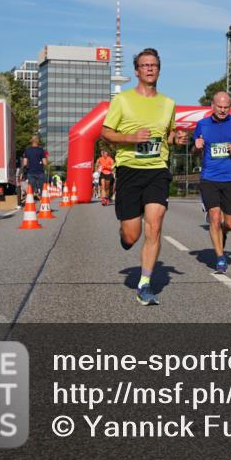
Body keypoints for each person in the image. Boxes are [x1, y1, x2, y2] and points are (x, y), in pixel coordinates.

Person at [101, 48, 188, 306]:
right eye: (144, 65)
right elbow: (106, 132)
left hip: (157, 170)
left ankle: (145, 283)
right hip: (128, 169)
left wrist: (178, 138)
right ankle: (125, 232)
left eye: (154, 65)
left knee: (155, 222)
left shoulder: (168, 103)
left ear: (159, 69)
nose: (149, 69)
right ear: (136, 70)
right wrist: (130, 138)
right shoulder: (122, 100)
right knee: (131, 236)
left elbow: (169, 135)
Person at [194, 91, 231, 274]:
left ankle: (222, 232)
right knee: (215, 217)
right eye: (220, 107)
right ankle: (220, 258)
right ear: (212, 106)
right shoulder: (202, 125)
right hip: (209, 178)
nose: (223, 110)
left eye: (226, 107)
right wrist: (196, 148)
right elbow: (194, 152)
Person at [21, 135, 48, 200]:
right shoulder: (41, 150)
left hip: (30, 172)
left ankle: (30, 201)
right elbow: (45, 163)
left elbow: (24, 163)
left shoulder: (27, 150)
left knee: (31, 189)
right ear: (37, 141)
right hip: (40, 172)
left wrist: (23, 170)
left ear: (31, 142)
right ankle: (43, 202)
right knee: (42, 189)